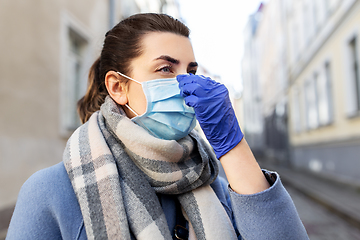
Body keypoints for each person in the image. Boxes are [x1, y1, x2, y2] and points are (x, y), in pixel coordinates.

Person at [6, 13, 309, 240]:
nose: (185, 83)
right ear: (118, 87)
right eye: (166, 69)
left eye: (191, 71)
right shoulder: (50, 192)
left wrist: (232, 145)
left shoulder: (216, 181)